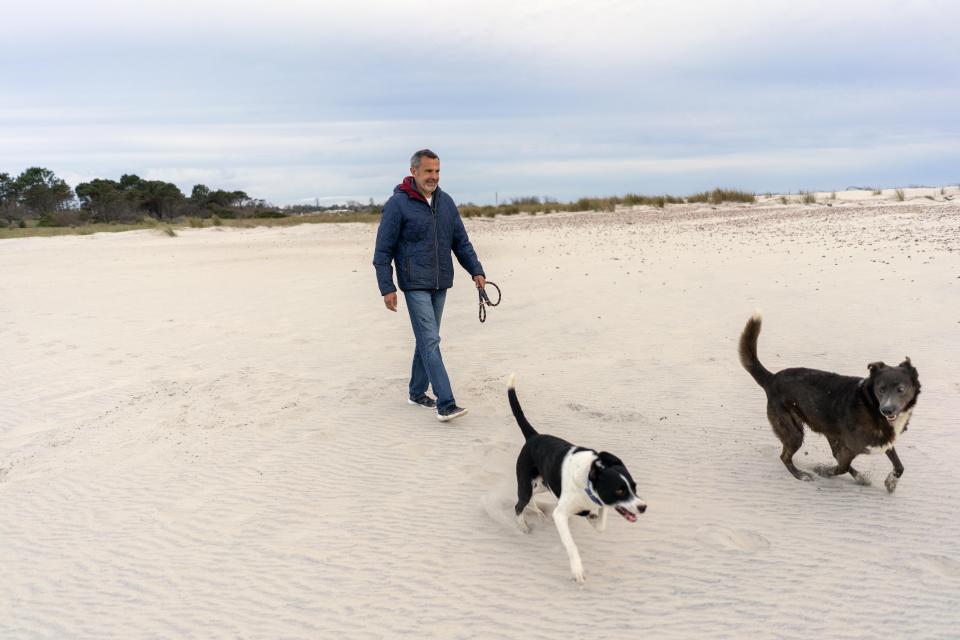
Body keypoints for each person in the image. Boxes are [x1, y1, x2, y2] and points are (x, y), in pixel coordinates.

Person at [373, 149, 486, 422]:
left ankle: (416, 392)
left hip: (441, 282)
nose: (433, 177)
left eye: (437, 171)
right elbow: (382, 251)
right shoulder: (397, 204)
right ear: (414, 172)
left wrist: (476, 271)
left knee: (427, 339)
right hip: (414, 284)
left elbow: (461, 242)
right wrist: (387, 287)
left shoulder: (446, 202)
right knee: (431, 340)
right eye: (428, 171)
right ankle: (445, 403)